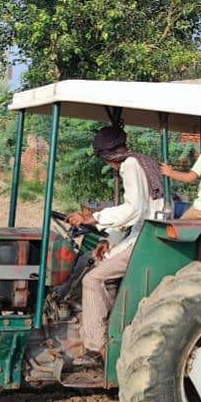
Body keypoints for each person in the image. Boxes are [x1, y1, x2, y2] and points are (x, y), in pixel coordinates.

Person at [66, 126, 164, 368]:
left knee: (92, 279)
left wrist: (93, 218)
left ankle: (95, 348)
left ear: (107, 157)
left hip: (148, 239)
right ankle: (102, 324)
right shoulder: (138, 161)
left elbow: (134, 210)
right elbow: (132, 214)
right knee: (93, 260)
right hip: (141, 233)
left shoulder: (130, 165)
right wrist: (108, 241)